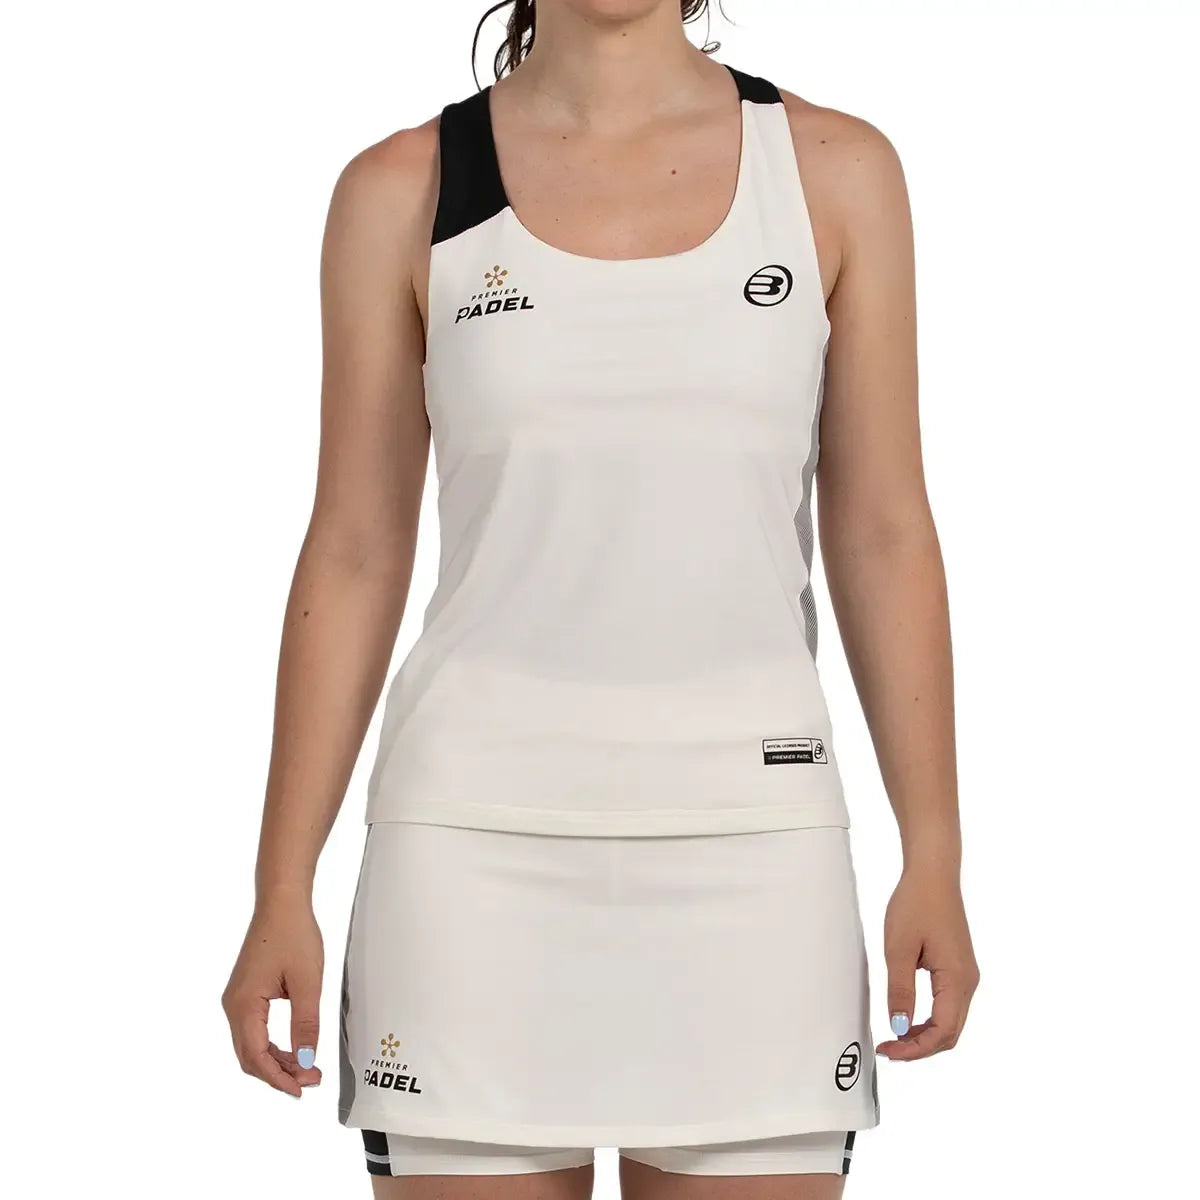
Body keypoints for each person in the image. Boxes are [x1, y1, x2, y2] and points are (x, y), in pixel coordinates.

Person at [222, 1, 979, 1195]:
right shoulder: (402, 190)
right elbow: (356, 549)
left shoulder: (835, 174)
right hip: (467, 856)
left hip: (757, 847)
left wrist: (933, 849)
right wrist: (281, 885)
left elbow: (884, 531)